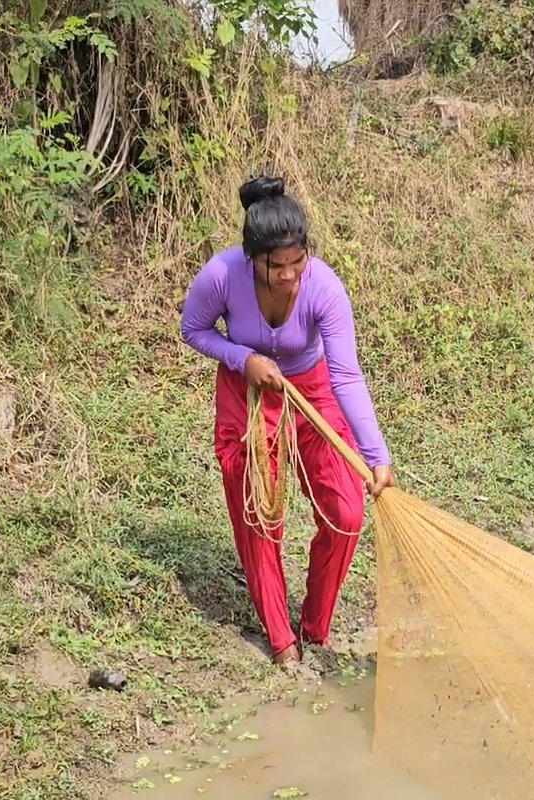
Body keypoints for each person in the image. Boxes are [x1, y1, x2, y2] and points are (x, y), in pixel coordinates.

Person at [179, 174, 397, 667]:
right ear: (252, 258)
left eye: (298, 263)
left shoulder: (325, 287)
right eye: (277, 267)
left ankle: (314, 628)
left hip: (313, 389)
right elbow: (193, 329)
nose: (289, 276)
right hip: (248, 392)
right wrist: (241, 358)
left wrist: (376, 455)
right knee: (259, 512)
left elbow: (345, 374)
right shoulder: (220, 276)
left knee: (346, 515)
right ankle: (281, 640)